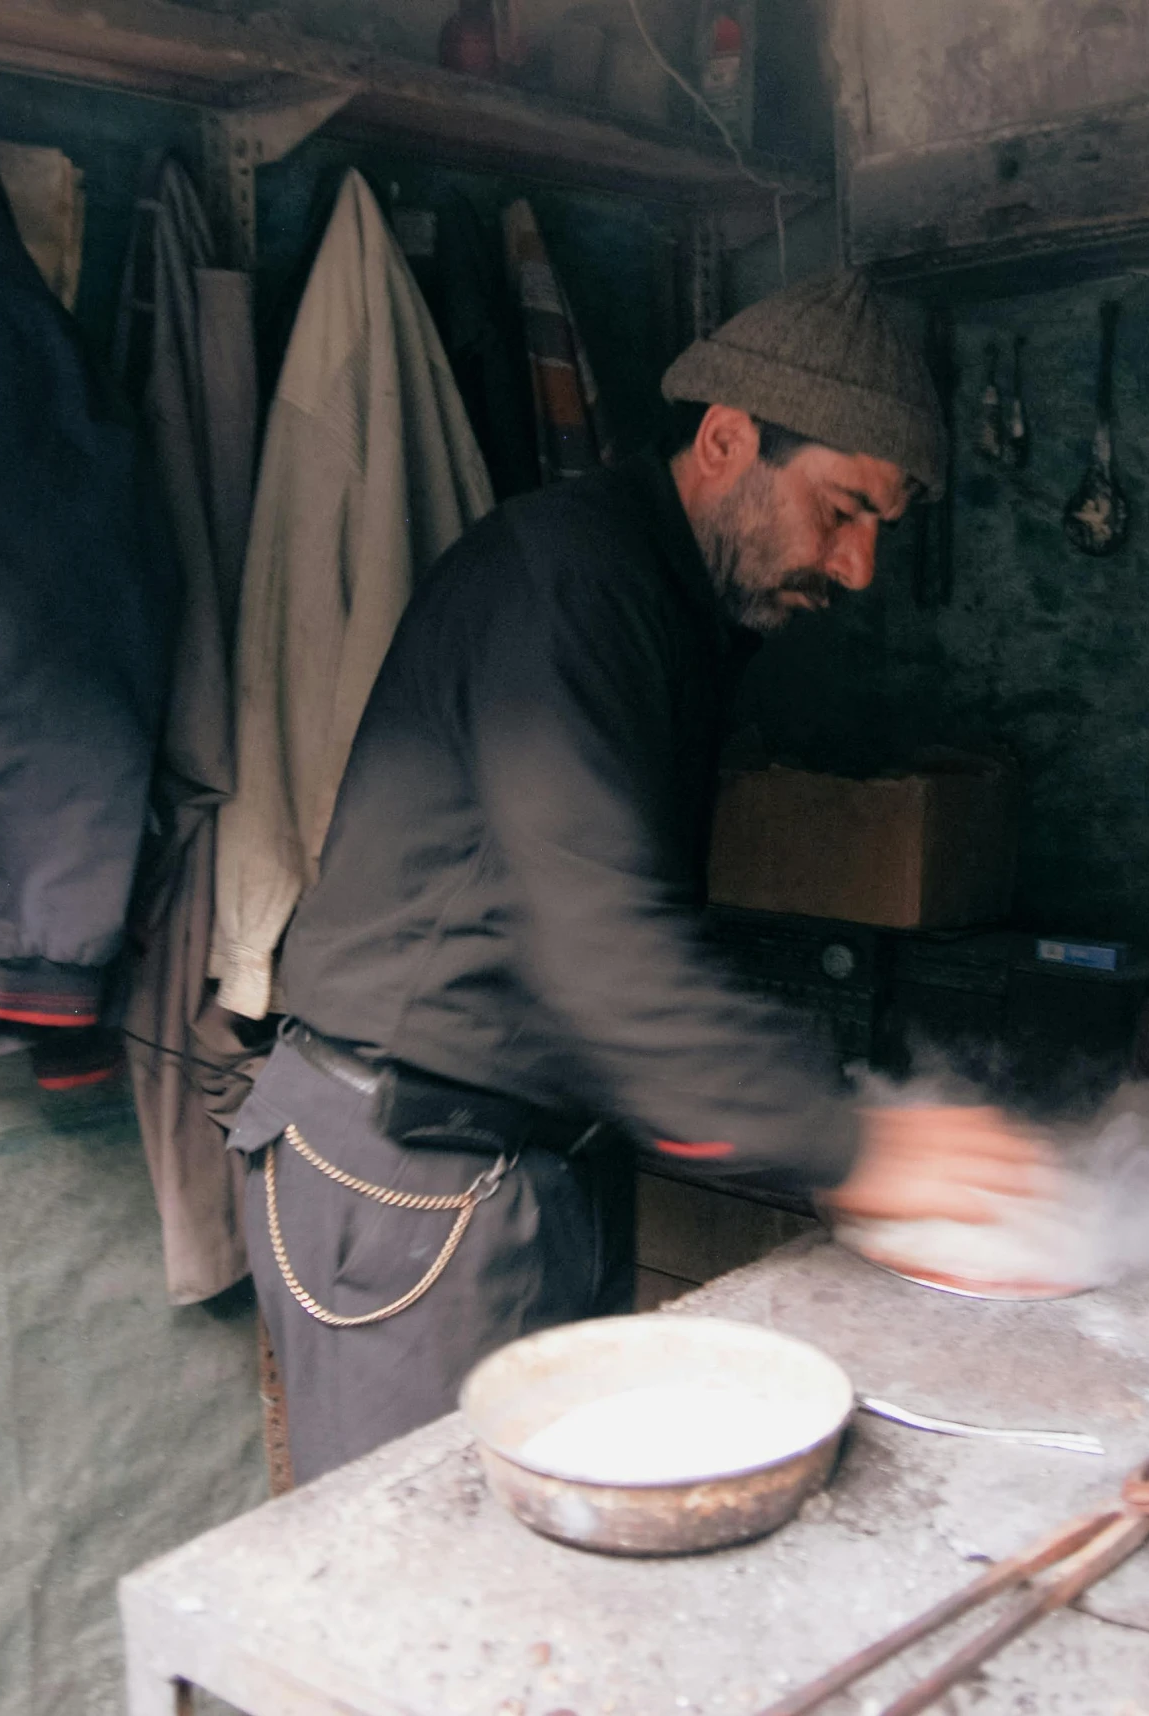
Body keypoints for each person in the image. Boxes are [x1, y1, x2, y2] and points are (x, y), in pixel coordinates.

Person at [228, 270, 1050, 1482]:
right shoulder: (571, 585)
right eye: (840, 511)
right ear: (727, 441)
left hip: (529, 1158)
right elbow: (605, 947)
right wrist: (854, 1144)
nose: (861, 566)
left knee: (558, 1569)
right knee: (432, 1610)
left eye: (879, 525)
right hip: (411, 1174)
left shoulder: (669, 602)